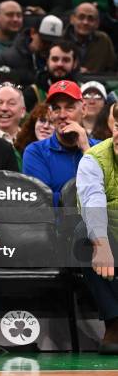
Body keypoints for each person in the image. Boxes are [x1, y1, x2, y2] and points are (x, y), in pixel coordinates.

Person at [76, 102, 118, 353]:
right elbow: (92, 202)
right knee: (83, 236)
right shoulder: (94, 159)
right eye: (117, 125)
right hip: (112, 235)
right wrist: (100, 243)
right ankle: (115, 321)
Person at [23, 80, 100, 206]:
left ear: (84, 109)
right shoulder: (36, 152)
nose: (62, 115)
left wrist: (86, 150)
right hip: (56, 225)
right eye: (56, 108)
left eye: (69, 107)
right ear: (50, 113)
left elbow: (110, 194)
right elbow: (41, 202)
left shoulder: (101, 148)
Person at [0, 14, 64, 90]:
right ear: (32, 33)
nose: (48, 46)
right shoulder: (7, 58)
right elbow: (4, 88)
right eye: (44, 41)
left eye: (52, 43)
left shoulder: (60, 61)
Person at [24, 40, 80, 112]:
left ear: (75, 63)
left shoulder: (82, 91)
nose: (60, 64)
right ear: (47, 61)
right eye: (55, 59)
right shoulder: (33, 93)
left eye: (66, 60)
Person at [66, 2, 115, 73]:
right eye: (81, 17)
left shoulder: (103, 40)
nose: (85, 22)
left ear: (97, 23)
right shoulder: (61, 39)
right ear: (72, 19)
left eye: (90, 18)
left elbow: (112, 69)